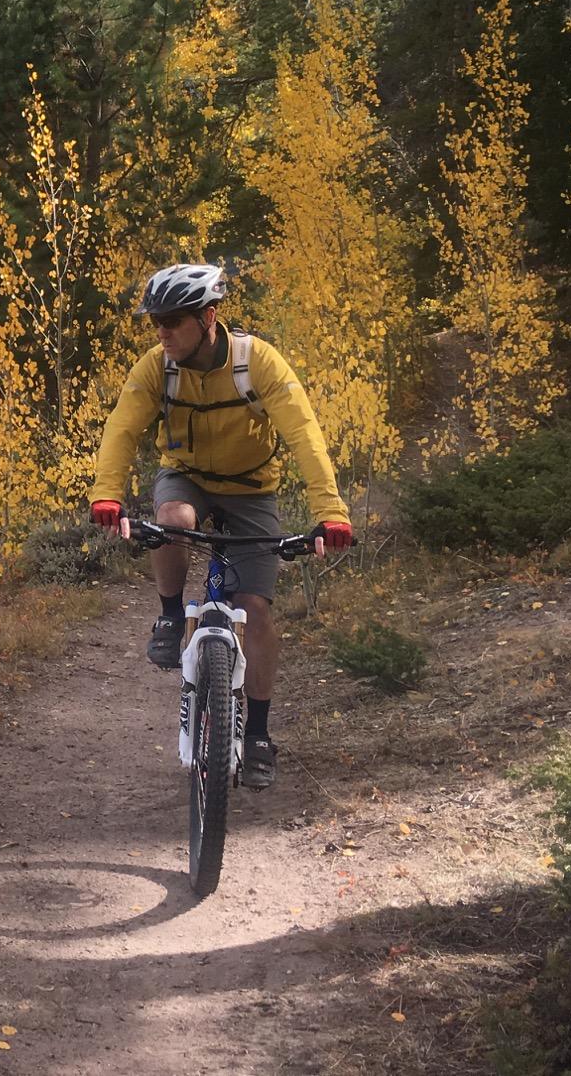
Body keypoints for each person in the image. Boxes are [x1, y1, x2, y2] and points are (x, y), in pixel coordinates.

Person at [89, 263, 353, 790]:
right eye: (155, 322)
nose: (161, 331)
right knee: (172, 520)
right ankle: (169, 617)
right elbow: (121, 429)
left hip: (253, 488)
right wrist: (107, 494)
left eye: (171, 320)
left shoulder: (257, 363)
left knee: (254, 611)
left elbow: (303, 433)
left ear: (208, 317)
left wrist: (332, 511)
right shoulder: (156, 367)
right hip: (186, 478)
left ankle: (256, 734)